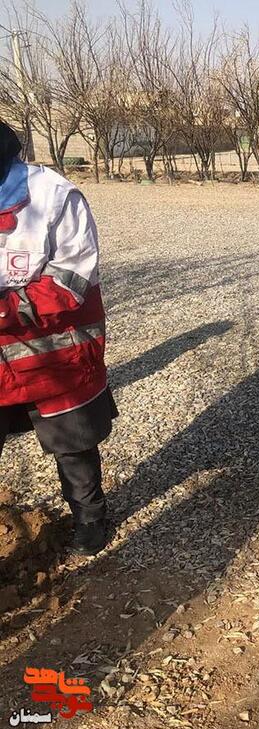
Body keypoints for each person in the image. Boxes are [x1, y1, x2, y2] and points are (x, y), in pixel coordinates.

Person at [0, 120, 117, 556]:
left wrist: (8, 308)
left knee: (73, 443)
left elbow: (73, 277)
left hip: (54, 353)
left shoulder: (53, 195)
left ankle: (90, 519)